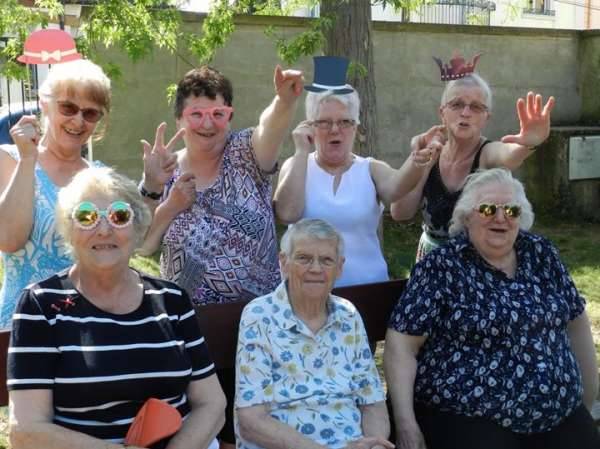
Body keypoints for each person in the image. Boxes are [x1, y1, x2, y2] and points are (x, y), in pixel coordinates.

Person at [138, 64, 304, 449]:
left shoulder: (245, 152)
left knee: (255, 429)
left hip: (257, 327)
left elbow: (270, 127)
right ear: (180, 119)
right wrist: (160, 195)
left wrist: (283, 101)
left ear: (230, 116)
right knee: (203, 430)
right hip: (191, 331)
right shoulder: (164, 169)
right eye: (196, 113)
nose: (207, 123)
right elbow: (141, 246)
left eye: (218, 112)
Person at [7, 167, 226, 449]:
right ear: (69, 230)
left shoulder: (171, 299)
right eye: (86, 217)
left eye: (119, 216)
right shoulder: (41, 304)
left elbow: (212, 403)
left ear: (137, 228)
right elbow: (26, 429)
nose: (103, 229)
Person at [384, 168, 600, 449]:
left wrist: (584, 402)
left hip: (555, 411)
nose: (501, 217)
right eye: (487, 209)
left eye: (511, 210)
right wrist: (405, 424)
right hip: (468, 414)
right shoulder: (442, 266)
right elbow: (401, 345)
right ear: (466, 217)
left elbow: (576, 324)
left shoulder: (541, 253)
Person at [274, 56, 432, 288]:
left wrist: (417, 160)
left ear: (356, 127)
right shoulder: (296, 165)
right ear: (310, 126)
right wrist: (300, 152)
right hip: (306, 294)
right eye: (324, 122)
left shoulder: (370, 168)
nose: (335, 130)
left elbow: (396, 188)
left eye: (345, 122)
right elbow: (287, 213)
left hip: (367, 293)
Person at [235, 218, 394, 449]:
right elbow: (251, 421)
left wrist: (376, 444)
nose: (316, 269)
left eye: (326, 260)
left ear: (339, 267)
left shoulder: (348, 315)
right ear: (284, 262)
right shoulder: (260, 316)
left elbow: (373, 403)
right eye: (304, 258)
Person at [390, 68, 555, 260]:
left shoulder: (486, 153)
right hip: (430, 258)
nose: (466, 113)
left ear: (486, 117)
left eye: (476, 107)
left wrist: (528, 144)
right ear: (442, 112)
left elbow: (507, 154)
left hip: (474, 263)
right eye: (457, 104)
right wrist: (421, 163)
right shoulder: (430, 151)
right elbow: (400, 212)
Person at [0, 59, 110, 328]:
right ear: (44, 103)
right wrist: (28, 159)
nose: (78, 120)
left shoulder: (100, 177)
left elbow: (122, 249)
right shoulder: (9, 159)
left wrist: (152, 186)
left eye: (90, 113)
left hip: (87, 323)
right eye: (68, 107)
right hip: (23, 324)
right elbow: (8, 240)